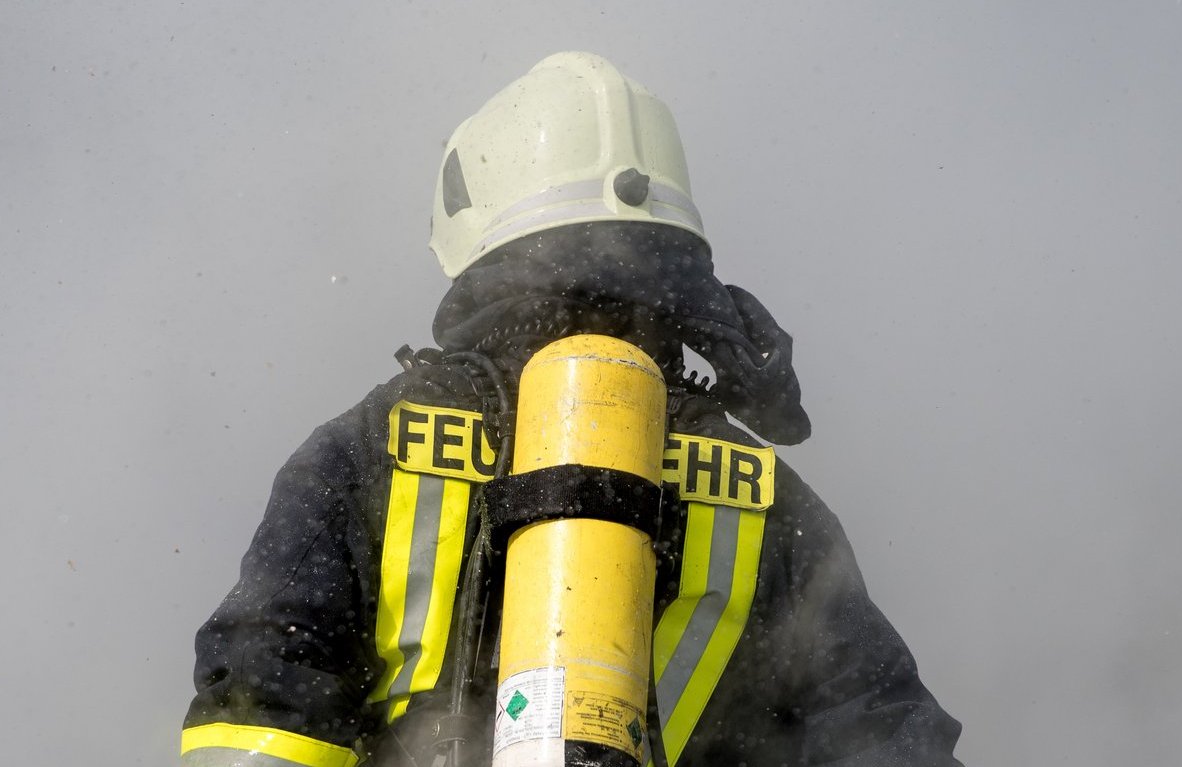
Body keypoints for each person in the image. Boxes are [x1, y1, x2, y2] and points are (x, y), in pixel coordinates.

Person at [181, 52, 963, 767]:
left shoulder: (364, 452)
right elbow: (883, 730)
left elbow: (260, 706)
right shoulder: (765, 497)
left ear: (477, 224)